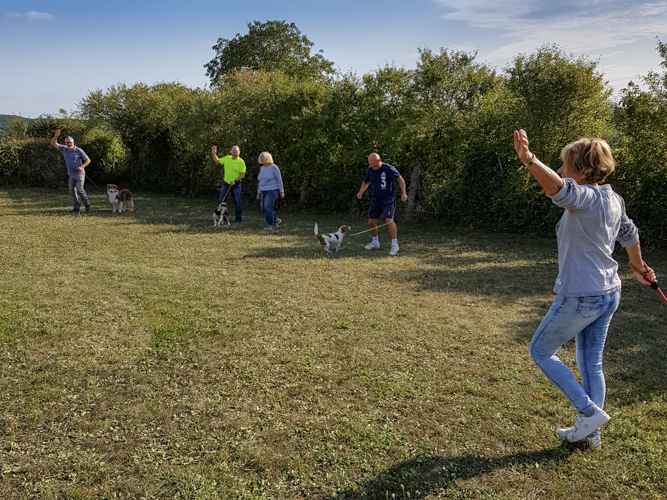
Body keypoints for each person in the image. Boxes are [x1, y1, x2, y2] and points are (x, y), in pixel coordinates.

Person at [513, 129, 657, 448]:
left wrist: (529, 159)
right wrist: (637, 266)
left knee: (540, 350)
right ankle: (591, 434)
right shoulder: (613, 198)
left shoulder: (586, 196)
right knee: (591, 363)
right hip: (609, 294)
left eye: (565, 165)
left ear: (582, 170)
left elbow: (558, 188)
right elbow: (630, 234)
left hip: (582, 295)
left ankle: (588, 413)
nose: (562, 170)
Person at [356, 153, 407, 256]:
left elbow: (400, 179)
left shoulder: (388, 168)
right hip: (376, 199)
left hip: (387, 199)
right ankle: (375, 242)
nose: (373, 167)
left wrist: (404, 193)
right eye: (371, 165)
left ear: (379, 161)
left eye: (374, 165)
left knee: (388, 220)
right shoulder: (370, 170)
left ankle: (394, 245)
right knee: (371, 222)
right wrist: (361, 191)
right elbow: (366, 182)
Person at [51, 129, 91, 215]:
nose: (69, 144)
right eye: (67, 143)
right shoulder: (63, 149)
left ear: (73, 143)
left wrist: (81, 167)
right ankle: (76, 208)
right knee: (72, 191)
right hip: (71, 174)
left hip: (79, 173)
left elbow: (88, 160)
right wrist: (56, 136)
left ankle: (87, 204)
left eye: (70, 143)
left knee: (80, 189)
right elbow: (53, 144)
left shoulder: (79, 151)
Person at [211, 145, 246, 222]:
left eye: (236, 152)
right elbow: (217, 161)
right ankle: (221, 217)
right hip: (226, 183)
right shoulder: (227, 158)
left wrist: (235, 181)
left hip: (236, 184)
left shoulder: (241, 162)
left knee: (237, 201)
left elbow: (242, 175)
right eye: (233, 152)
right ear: (231, 152)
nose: (234, 154)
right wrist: (214, 154)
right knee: (222, 200)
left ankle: (238, 219)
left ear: (239, 153)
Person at [256, 152, 284, 230]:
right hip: (263, 190)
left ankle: (270, 225)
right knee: (263, 207)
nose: (262, 159)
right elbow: (261, 182)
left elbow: (279, 180)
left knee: (268, 207)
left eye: (263, 157)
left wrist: (281, 191)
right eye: (261, 157)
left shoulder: (274, 167)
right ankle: (275, 219)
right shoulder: (262, 168)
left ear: (268, 158)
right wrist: (258, 192)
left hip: (272, 190)